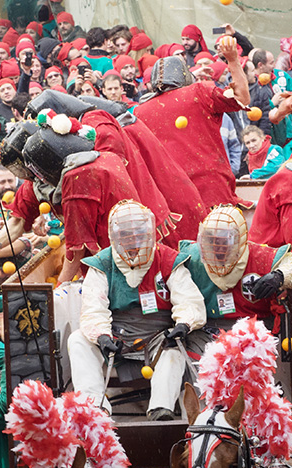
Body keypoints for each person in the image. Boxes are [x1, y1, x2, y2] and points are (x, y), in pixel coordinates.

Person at [69, 201, 205, 419]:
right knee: (77, 340)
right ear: (115, 237)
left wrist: (183, 324)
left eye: (138, 234)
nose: (133, 241)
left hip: (159, 336)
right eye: (125, 235)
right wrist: (102, 336)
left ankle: (161, 409)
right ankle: (95, 407)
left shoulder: (168, 259)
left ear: (150, 233)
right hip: (116, 336)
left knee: (175, 351)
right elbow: (94, 307)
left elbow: (188, 299)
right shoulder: (101, 264)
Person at [134, 39, 251, 209]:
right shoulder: (199, 92)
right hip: (212, 192)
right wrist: (233, 60)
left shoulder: (140, 112)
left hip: (170, 199)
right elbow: (243, 99)